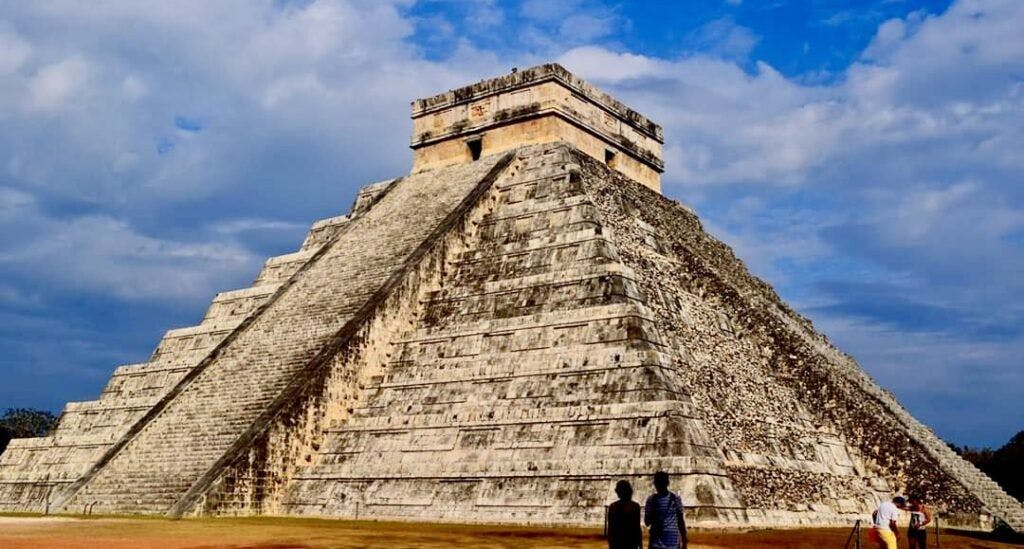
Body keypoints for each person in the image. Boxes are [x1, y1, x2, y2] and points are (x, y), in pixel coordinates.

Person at [644, 471, 687, 549]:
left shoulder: (651, 500)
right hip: (671, 542)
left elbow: (647, 522)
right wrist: (684, 541)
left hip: (657, 542)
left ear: (655, 484)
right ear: (667, 483)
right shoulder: (675, 499)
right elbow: (681, 521)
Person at [606, 479, 643, 549]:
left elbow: (610, 530)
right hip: (631, 542)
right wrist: (640, 545)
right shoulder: (635, 506)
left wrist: (611, 544)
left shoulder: (613, 507)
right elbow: (637, 528)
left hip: (617, 542)